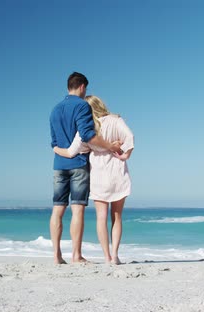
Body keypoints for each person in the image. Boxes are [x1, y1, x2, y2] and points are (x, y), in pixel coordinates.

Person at [49, 72, 122, 265]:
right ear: (82, 87)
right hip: (79, 164)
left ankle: (56, 256)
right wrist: (110, 146)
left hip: (58, 164)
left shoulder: (55, 109)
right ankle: (76, 255)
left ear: (68, 86)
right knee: (77, 210)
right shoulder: (82, 105)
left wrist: (59, 151)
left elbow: (54, 142)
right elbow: (88, 135)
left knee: (57, 210)